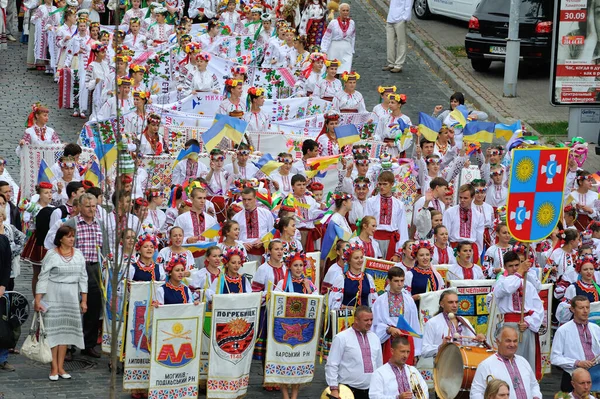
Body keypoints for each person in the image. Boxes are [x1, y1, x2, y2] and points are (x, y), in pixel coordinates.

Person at [34, 226, 87, 380]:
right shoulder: (51, 255)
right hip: (53, 294)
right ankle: (53, 368)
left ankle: (61, 367)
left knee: (65, 333)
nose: (72, 239)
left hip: (71, 296)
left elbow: (83, 277)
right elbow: (43, 277)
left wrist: (84, 300)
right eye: (68, 236)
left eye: (73, 236)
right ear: (60, 238)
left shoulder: (78, 255)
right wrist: (38, 299)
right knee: (52, 332)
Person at [62, 193, 108, 359]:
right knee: (72, 307)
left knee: (93, 308)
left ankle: (88, 344)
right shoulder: (71, 224)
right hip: (76, 270)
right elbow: (60, 246)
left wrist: (105, 271)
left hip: (95, 269)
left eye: (94, 206)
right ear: (80, 207)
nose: (91, 209)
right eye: (88, 206)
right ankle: (67, 346)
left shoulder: (100, 225)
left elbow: (106, 250)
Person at [491, 250, 544, 376]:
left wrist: (528, 322)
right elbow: (507, 289)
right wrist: (520, 272)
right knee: (509, 361)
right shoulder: (500, 282)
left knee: (526, 363)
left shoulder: (527, 285)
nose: (514, 269)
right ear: (505, 267)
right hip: (509, 326)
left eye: (517, 265)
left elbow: (538, 308)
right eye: (510, 266)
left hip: (525, 326)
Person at [325, 306, 383, 399]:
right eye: (366, 320)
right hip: (348, 391)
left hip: (371, 391)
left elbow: (379, 365)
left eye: (371, 319)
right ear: (356, 320)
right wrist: (334, 389)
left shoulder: (375, 338)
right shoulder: (341, 337)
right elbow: (332, 364)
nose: (370, 323)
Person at [470, 326, 542, 399]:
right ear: (498, 342)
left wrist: (536, 396)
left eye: (515, 341)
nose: (512, 345)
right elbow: (476, 393)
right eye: (508, 341)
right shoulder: (486, 365)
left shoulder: (523, 361)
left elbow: (534, 385)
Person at [372, 267, 420, 364]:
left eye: (402, 281)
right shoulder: (380, 301)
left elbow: (414, 324)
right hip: (389, 339)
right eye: (396, 281)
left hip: (406, 339)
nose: (400, 284)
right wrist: (388, 329)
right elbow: (375, 323)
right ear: (389, 281)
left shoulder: (409, 300)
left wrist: (416, 351)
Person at [551, 296, 600, 392]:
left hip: (596, 376)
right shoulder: (563, 330)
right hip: (572, 376)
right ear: (572, 309)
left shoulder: (596, 328)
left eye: (587, 307)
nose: (585, 311)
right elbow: (555, 358)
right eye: (581, 308)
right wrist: (577, 362)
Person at [421, 290, 485, 359]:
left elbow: (470, 346)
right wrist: (441, 347)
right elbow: (424, 351)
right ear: (442, 304)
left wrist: (478, 340)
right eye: (450, 302)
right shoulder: (432, 323)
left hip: (464, 364)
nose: (455, 305)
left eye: (456, 302)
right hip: (443, 365)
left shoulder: (464, 321)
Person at [366, 171, 409, 260]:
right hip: (374, 240)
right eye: (380, 184)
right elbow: (366, 225)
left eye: (385, 184)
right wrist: (369, 244)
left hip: (391, 242)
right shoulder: (371, 202)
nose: (381, 187)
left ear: (392, 184)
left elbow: (403, 229)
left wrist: (398, 253)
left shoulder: (399, 204)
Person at [21, 182, 55, 294]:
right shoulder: (34, 207)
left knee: (50, 271)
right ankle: (36, 297)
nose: (49, 195)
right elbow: (27, 220)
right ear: (39, 195)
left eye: (50, 192)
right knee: (37, 272)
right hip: (38, 239)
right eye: (46, 193)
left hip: (50, 238)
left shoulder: (53, 208)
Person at [442, 184, 484, 264]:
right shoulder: (449, 212)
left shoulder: (478, 215)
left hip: (472, 250)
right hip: (455, 249)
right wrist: (449, 253)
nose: (462, 200)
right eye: (460, 197)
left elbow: (479, 238)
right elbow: (445, 234)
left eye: (465, 198)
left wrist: (477, 253)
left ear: (472, 198)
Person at [329, 242, 378, 310]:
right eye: (356, 258)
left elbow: (374, 302)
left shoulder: (368, 278)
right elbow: (333, 305)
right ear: (349, 261)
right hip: (347, 318)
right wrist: (348, 307)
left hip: (365, 318)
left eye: (361, 257)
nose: (360, 260)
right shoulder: (342, 279)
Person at [232, 187, 275, 263]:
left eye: (249, 199)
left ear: (255, 198)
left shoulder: (266, 213)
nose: (246, 202)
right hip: (243, 253)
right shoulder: (236, 217)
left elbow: (272, 232)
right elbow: (233, 237)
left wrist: (262, 241)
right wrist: (242, 244)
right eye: (244, 199)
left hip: (262, 252)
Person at [320, 3, 355, 74]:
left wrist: (352, 49)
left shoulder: (352, 23)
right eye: (343, 10)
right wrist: (324, 50)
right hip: (334, 49)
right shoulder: (333, 23)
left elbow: (353, 37)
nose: (345, 12)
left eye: (347, 11)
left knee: (345, 71)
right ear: (340, 11)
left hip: (346, 50)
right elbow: (327, 37)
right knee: (333, 70)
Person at [383, 0, 411, 73]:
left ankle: (398, 65)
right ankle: (391, 63)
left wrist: (404, 18)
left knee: (401, 42)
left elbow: (408, 6)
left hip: (400, 20)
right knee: (390, 42)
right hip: (391, 18)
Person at [0, 234, 12, 371]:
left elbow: (7, 264)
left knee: (2, 324)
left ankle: (2, 358)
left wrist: (3, 285)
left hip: (1, 289)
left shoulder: (3, 239)